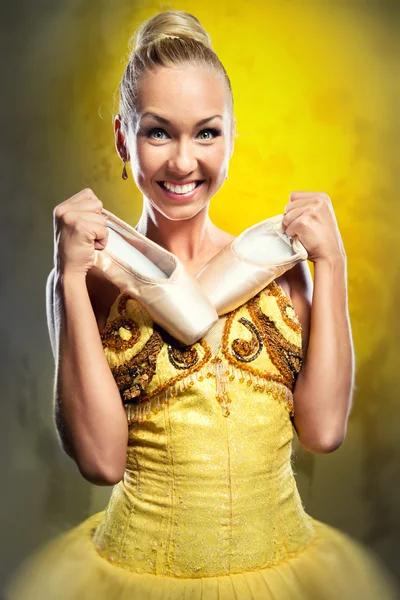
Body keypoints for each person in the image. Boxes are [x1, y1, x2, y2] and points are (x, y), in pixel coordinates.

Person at [5, 9, 399, 600]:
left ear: (233, 138)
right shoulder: (91, 281)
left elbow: (322, 431)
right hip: (137, 577)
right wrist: (67, 279)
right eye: (158, 131)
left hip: (286, 570)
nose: (184, 162)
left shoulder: (281, 272)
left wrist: (332, 263)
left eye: (207, 132)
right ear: (123, 138)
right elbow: (101, 462)